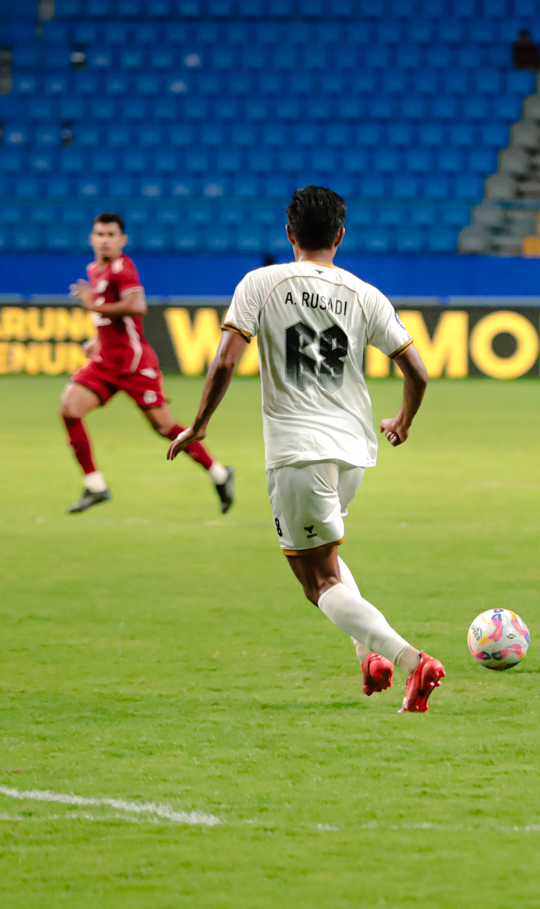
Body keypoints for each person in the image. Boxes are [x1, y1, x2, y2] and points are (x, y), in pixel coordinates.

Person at [168, 186, 446, 713]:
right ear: (340, 235)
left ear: (290, 234)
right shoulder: (365, 293)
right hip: (354, 450)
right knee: (327, 557)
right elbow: (418, 371)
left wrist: (200, 424)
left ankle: (413, 661)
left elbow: (225, 362)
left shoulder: (261, 283)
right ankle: (369, 656)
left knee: (316, 580)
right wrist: (403, 420)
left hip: (298, 450)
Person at [61, 213, 235, 516]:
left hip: (134, 365)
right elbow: (111, 319)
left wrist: (93, 306)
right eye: (100, 233)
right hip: (105, 363)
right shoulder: (94, 269)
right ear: (91, 238)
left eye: (111, 234)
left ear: (122, 240)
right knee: (69, 408)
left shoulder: (123, 268)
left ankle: (219, 473)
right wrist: (98, 340)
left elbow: (138, 306)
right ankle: (95, 485)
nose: (105, 239)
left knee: (165, 426)